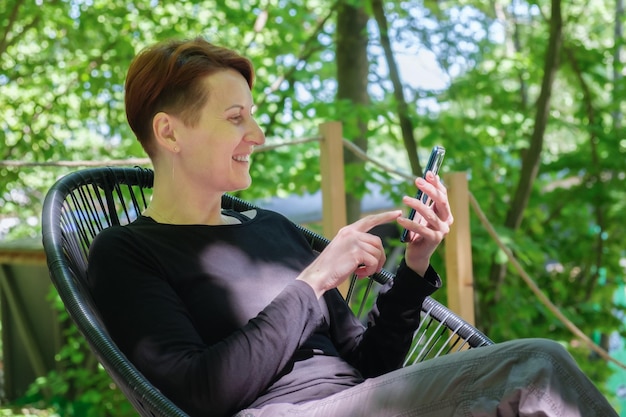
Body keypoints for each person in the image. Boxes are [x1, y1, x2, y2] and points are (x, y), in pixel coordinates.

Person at [87, 37, 618, 417]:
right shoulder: (128, 251)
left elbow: (371, 364)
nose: (258, 133)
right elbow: (199, 395)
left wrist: (414, 265)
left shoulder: (270, 229)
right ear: (169, 132)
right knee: (537, 366)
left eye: (253, 114)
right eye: (235, 117)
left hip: (361, 401)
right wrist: (315, 279)